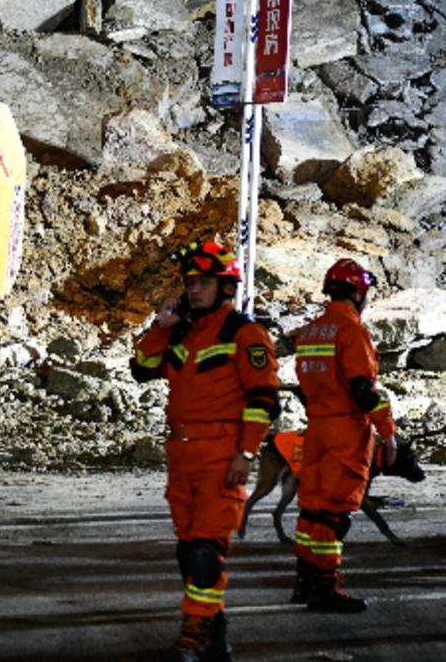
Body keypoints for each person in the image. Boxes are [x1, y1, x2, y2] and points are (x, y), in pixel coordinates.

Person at [129, 239, 280, 662]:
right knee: (187, 549)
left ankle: (194, 633)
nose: (194, 290)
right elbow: (141, 368)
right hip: (181, 453)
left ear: (225, 286)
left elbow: (265, 400)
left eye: (203, 283)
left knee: (204, 549)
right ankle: (215, 632)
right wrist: (161, 326)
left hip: (221, 453)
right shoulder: (181, 332)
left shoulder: (244, 333)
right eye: (190, 283)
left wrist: (246, 454)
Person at [291, 258, 397, 613]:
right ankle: (325, 586)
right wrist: (388, 431)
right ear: (357, 292)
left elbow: (304, 390)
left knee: (311, 508)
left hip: (317, 429)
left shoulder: (309, 332)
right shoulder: (351, 331)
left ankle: (305, 579)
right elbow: (363, 390)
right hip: (345, 433)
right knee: (333, 514)